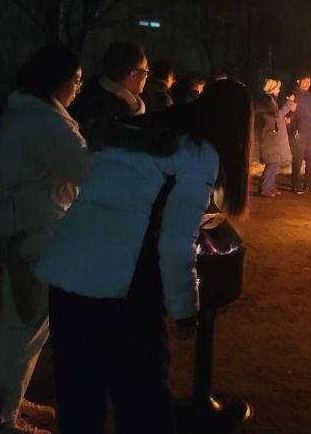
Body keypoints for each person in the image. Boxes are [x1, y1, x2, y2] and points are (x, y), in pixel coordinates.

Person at [36, 80, 253, 434]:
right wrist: (185, 312)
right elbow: (175, 242)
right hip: (125, 289)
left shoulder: (136, 132)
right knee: (143, 405)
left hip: (67, 276)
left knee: (80, 405)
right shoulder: (197, 152)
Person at [0, 44, 90, 434]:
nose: (79, 88)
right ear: (56, 81)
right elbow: (86, 169)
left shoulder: (22, 114)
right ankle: (1, 418)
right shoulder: (46, 124)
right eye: (76, 80)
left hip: (24, 228)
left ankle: (9, 399)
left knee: (23, 325)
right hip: (36, 233)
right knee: (25, 328)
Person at [69, 41, 148, 139]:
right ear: (133, 74)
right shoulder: (104, 108)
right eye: (145, 72)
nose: (147, 77)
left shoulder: (129, 103)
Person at [256, 79, 295, 197]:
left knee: (275, 162)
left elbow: (275, 117)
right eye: (277, 87)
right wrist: (289, 104)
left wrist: (284, 121)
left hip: (274, 136)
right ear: (272, 89)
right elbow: (277, 115)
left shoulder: (271, 100)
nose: (279, 89)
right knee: (272, 162)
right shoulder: (268, 101)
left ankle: (270, 186)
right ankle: (265, 188)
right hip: (271, 137)